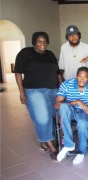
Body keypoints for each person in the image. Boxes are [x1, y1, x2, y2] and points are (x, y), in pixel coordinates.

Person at [14, 32, 61, 161]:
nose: (42, 44)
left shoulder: (50, 54)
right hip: (34, 90)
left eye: (45, 41)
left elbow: (57, 72)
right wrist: (21, 92)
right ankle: (52, 147)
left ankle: (44, 140)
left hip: (52, 89)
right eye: (39, 41)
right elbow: (18, 73)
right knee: (42, 118)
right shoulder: (25, 53)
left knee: (52, 116)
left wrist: (62, 87)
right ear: (34, 42)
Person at [55, 67, 88, 164]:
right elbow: (57, 104)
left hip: (86, 112)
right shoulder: (67, 85)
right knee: (63, 107)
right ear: (76, 76)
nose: (82, 80)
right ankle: (68, 145)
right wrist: (78, 102)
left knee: (82, 123)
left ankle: (81, 151)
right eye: (80, 77)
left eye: (84, 77)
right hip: (70, 111)